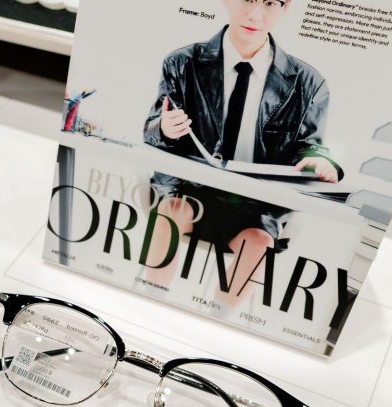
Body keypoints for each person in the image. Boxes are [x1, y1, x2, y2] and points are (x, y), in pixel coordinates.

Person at [141, 0, 343, 307]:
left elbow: (311, 145)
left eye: (270, 3)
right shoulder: (182, 62)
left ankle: (219, 317)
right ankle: (148, 299)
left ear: (285, 7)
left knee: (259, 243)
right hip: (188, 188)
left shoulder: (309, 83)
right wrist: (165, 128)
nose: (255, 14)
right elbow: (153, 130)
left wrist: (321, 161)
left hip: (255, 204)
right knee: (172, 212)